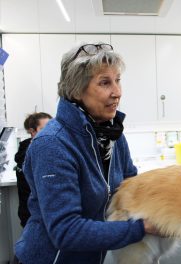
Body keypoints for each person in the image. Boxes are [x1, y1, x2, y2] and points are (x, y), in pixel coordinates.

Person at [15, 43, 159, 264]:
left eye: (117, 80)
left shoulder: (112, 135)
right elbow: (66, 230)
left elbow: (132, 188)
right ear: (75, 90)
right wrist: (142, 228)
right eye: (104, 82)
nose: (117, 92)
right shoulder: (52, 144)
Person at [14, 112, 52, 227]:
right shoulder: (31, 153)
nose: (51, 132)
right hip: (33, 216)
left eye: (53, 127)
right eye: (45, 129)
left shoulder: (29, 147)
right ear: (32, 131)